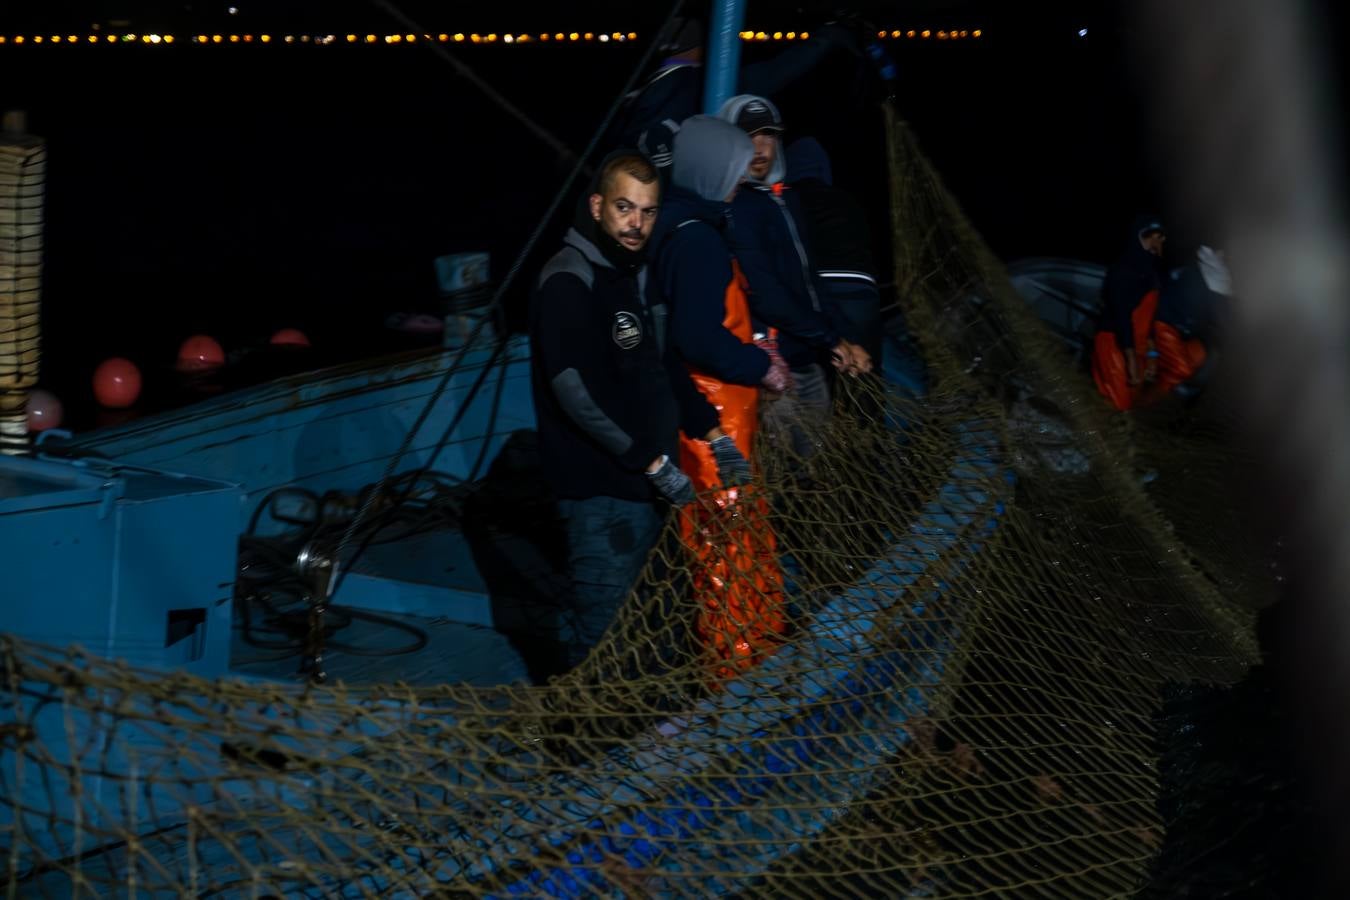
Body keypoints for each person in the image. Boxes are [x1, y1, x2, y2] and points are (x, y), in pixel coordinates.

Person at [528, 150, 751, 674]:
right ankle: (587, 746)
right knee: (605, 637)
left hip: (651, 487)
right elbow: (575, 392)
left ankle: (658, 732)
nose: (637, 224)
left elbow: (661, 365)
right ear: (598, 205)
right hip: (602, 493)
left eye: (648, 212)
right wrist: (650, 462)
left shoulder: (630, 274)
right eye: (625, 208)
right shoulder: (568, 278)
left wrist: (714, 434)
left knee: (659, 622)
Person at [648, 115, 792, 679]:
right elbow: (698, 335)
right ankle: (738, 671)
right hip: (716, 421)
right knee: (727, 547)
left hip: (718, 415)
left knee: (734, 538)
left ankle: (758, 649)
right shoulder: (699, 240)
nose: (739, 177)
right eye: (731, 167)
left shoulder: (682, 224)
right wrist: (762, 366)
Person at [716, 94, 871, 456]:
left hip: (808, 359)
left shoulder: (785, 198)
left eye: (768, 134)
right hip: (771, 374)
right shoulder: (734, 206)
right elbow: (767, 294)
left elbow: (810, 281)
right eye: (747, 135)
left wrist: (846, 336)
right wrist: (832, 339)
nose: (759, 146)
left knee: (813, 472)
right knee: (782, 484)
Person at [611, 16, 859, 180]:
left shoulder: (639, 92)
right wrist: (827, 38)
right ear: (702, 48)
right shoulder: (694, 83)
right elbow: (776, 72)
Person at [784, 136, 884, 368]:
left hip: (821, 295)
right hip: (862, 293)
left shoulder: (787, 202)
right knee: (865, 377)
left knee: (826, 373)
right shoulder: (848, 199)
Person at [1091, 215, 1168, 411]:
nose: (1155, 242)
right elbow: (1121, 316)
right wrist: (1131, 358)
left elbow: (1149, 321)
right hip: (1114, 343)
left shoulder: (1152, 276)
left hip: (1137, 348)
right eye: (1150, 236)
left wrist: (1151, 355)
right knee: (1116, 406)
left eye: (1160, 238)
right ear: (1137, 237)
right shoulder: (1123, 269)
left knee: (1129, 405)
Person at [1155, 244, 1232, 396]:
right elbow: (1223, 318)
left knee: (1206, 353)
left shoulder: (1212, 273)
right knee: (1182, 365)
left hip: (1183, 329)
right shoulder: (1212, 275)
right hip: (1165, 326)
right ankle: (1164, 384)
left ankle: (1181, 384)